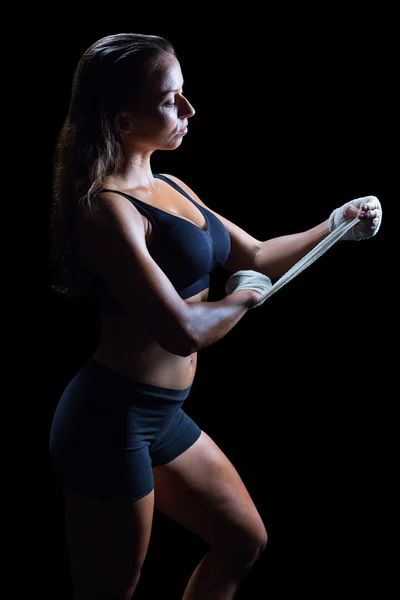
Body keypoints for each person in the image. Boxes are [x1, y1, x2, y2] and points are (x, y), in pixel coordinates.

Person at [48, 32, 382, 600]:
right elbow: (181, 331)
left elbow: (254, 255)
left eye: (185, 93)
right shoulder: (105, 210)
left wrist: (336, 224)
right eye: (170, 98)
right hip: (110, 422)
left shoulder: (170, 186)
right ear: (123, 121)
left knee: (242, 541)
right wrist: (245, 298)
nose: (188, 109)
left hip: (163, 416)